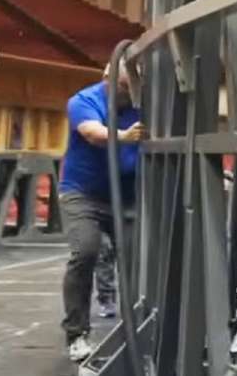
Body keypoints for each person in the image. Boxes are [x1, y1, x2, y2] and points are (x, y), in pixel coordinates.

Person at [59, 59, 145, 362]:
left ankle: (137, 328)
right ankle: (76, 333)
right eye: (121, 86)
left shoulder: (142, 104)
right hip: (83, 194)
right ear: (106, 78)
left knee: (141, 261)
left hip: (128, 198)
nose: (124, 92)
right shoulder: (84, 100)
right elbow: (93, 133)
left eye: (129, 87)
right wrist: (124, 136)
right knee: (85, 250)